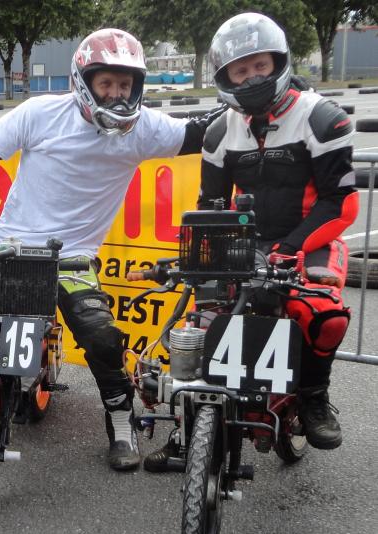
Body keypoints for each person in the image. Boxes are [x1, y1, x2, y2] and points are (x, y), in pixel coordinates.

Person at [0, 29, 224, 471]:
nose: (116, 94)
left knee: (101, 337)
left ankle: (120, 419)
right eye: (106, 83)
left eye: (125, 85)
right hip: (9, 246)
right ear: (84, 82)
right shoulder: (40, 113)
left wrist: (246, 97)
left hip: (73, 258)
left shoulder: (144, 128)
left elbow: (200, 132)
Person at [145, 13, 356, 470]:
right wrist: (197, 262)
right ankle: (187, 431)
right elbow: (212, 207)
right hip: (248, 242)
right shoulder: (220, 131)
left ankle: (315, 398)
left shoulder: (322, 118)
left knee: (323, 313)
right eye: (240, 71)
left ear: (278, 62)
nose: (252, 78)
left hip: (313, 238)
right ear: (225, 77)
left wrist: (291, 248)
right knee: (203, 319)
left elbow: (341, 205)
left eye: (260, 66)